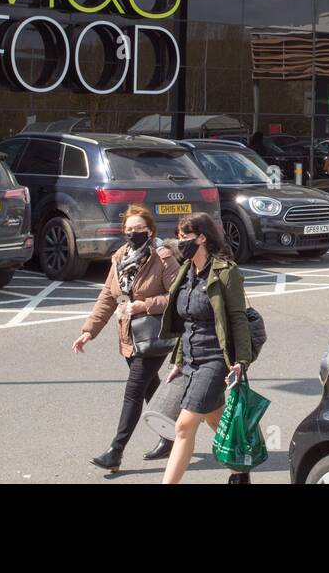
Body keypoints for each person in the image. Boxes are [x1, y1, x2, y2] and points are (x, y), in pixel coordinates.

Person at [73, 205, 180, 473]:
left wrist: (144, 305)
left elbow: (178, 296)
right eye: (129, 230)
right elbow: (108, 297)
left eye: (139, 230)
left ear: (150, 231)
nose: (133, 234)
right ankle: (172, 436)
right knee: (148, 388)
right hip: (129, 335)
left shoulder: (163, 257)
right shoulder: (121, 256)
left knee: (133, 392)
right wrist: (89, 331)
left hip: (154, 335)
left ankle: (115, 452)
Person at [160, 211, 255, 484]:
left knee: (183, 426)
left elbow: (238, 318)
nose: (180, 243)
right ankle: (240, 471)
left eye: (185, 237)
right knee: (216, 421)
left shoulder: (226, 271)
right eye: (178, 237)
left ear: (202, 237)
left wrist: (242, 362)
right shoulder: (185, 272)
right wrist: (178, 361)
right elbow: (185, 322)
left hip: (215, 359)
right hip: (192, 358)